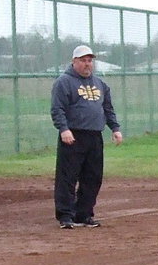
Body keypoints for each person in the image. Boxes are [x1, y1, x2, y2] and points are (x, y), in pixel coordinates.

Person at [51, 44, 123, 229]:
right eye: (83, 60)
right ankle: (65, 216)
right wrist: (64, 129)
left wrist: (115, 128)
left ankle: (83, 214)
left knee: (92, 177)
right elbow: (57, 109)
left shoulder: (100, 84)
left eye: (89, 60)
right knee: (68, 177)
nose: (87, 64)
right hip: (73, 135)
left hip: (94, 136)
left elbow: (107, 109)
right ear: (74, 61)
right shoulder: (64, 82)